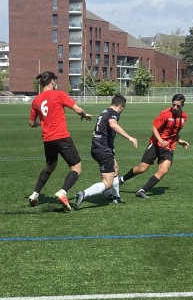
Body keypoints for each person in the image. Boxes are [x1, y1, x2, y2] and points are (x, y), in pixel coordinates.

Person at [28, 71, 92, 211]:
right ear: (51, 81)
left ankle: (34, 194)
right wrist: (84, 114)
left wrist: (43, 123)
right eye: (55, 81)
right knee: (76, 167)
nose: (56, 83)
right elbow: (77, 109)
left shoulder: (36, 100)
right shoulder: (59, 94)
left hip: (48, 140)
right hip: (61, 137)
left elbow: (31, 123)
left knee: (51, 166)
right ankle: (62, 192)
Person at [119, 94, 189, 199]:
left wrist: (179, 140)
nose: (175, 107)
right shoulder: (165, 114)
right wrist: (160, 140)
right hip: (155, 144)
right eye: (173, 105)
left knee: (164, 170)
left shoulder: (184, 117)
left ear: (182, 105)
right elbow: (154, 128)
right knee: (142, 168)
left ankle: (142, 190)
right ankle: (121, 180)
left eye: (178, 106)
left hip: (169, 147)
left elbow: (175, 131)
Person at [74, 94, 137, 209]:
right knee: (107, 183)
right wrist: (130, 137)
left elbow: (94, 132)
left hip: (97, 148)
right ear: (121, 106)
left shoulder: (104, 112)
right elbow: (113, 124)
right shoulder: (114, 113)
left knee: (115, 167)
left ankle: (115, 197)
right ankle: (84, 194)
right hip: (103, 150)